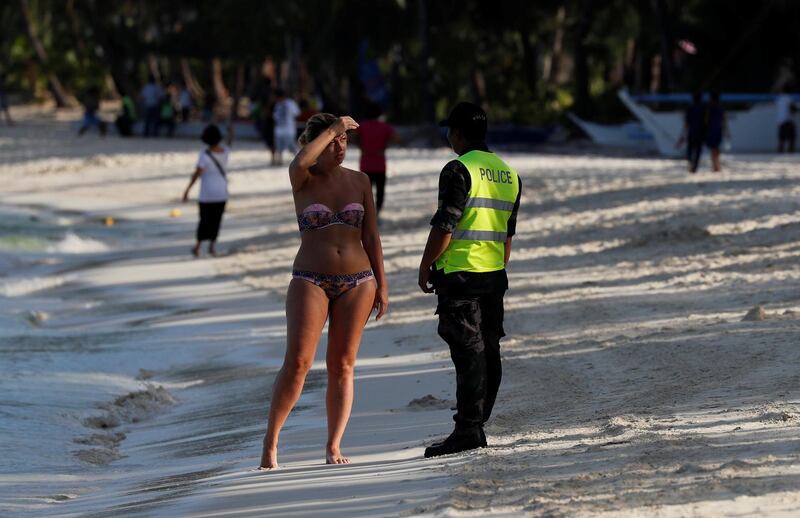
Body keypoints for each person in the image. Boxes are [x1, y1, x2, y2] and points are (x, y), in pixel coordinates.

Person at [259, 113, 388, 470]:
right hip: (309, 279)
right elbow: (300, 159)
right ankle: (271, 441)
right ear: (317, 143)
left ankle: (333, 445)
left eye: (344, 141)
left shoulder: (360, 181)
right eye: (333, 141)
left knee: (342, 366)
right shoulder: (303, 178)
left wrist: (383, 283)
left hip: (359, 281)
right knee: (298, 363)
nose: (340, 147)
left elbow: (371, 235)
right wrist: (333, 127)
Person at [418, 102, 521, 458]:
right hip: (493, 274)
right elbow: (507, 235)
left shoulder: (459, 169)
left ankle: (468, 429)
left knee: (468, 352)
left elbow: (445, 224)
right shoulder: (508, 174)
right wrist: (496, 265)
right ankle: (476, 422)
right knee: (488, 350)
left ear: (457, 133)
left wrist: (425, 265)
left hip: (460, 275)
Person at [182, 124, 230, 257]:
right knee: (216, 220)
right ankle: (212, 247)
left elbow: (197, 174)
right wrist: (230, 132)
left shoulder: (204, 155)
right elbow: (229, 143)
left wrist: (187, 190)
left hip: (207, 193)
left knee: (204, 220)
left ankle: (198, 247)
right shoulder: (225, 151)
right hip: (222, 192)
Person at [354, 103, 400, 217]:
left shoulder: (362, 126)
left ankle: (367, 213)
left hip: (365, 164)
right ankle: (377, 211)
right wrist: (385, 145)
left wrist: (361, 146)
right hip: (380, 164)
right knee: (380, 190)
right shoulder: (384, 127)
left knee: (365, 190)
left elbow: (351, 137)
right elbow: (397, 138)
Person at [676, 91, 706, 173]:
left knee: (690, 150)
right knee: (698, 151)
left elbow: (686, 123)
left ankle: (690, 164)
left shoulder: (690, 108)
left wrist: (682, 134)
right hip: (701, 132)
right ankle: (695, 167)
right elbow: (706, 121)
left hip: (691, 132)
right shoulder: (704, 108)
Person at [272, 89, 300, 165]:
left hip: (289, 129)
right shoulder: (278, 105)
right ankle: (280, 160)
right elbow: (275, 116)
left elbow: (297, 113)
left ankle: (299, 159)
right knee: (279, 146)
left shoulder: (290, 103)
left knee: (291, 145)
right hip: (279, 129)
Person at [705, 92, 728, 172]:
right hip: (718, 129)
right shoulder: (721, 108)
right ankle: (717, 165)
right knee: (717, 148)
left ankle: (714, 165)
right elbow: (724, 120)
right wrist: (726, 131)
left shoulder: (709, 108)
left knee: (713, 148)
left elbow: (706, 120)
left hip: (711, 130)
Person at [777, 85, 796, 153]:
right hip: (788, 121)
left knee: (781, 140)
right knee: (791, 139)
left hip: (780, 122)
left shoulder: (779, 98)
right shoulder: (789, 98)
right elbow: (792, 108)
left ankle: (779, 153)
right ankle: (791, 153)